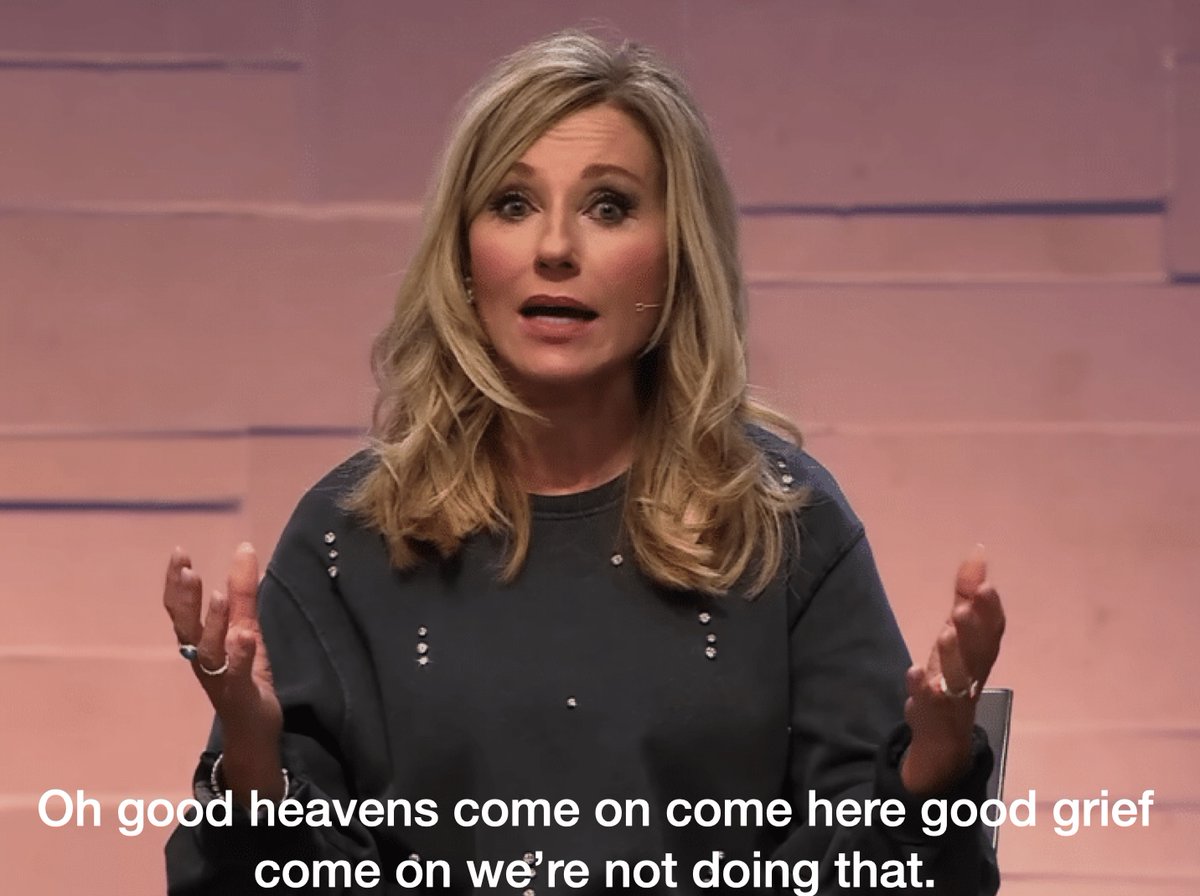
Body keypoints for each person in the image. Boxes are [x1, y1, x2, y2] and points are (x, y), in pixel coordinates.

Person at [163, 30, 1005, 895]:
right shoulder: (350, 533)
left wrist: (932, 771)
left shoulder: (784, 522)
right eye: (513, 204)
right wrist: (254, 773)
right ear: (463, 255)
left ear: (676, 257)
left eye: (608, 206)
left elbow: (871, 865)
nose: (556, 247)